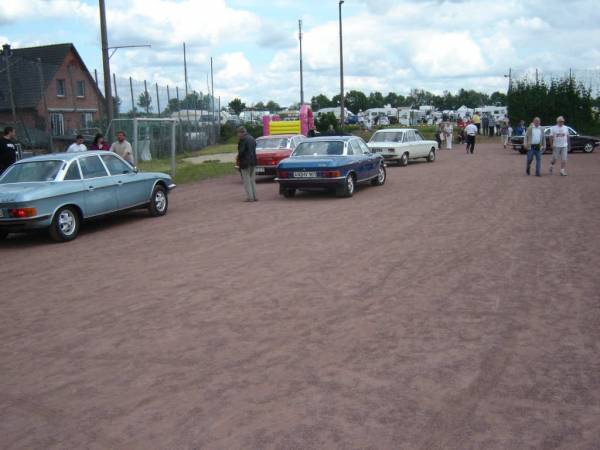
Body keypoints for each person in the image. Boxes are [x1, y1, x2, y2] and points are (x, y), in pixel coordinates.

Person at [237, 127, 258, 202]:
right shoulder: (252, 138)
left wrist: (238, 158)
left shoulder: (243, 140)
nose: (238, 135)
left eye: (238, 133)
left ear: (242, 133)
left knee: (246, 180)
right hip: (253, 161)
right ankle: (255, 196)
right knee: (252, 180)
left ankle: (250, 197)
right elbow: (255, 147)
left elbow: (241, 152)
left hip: (245, 162)